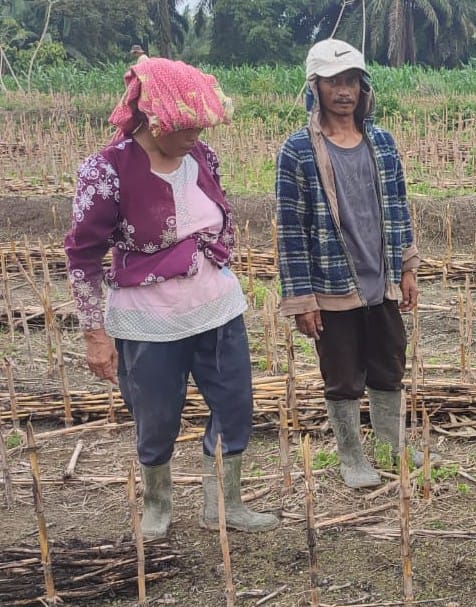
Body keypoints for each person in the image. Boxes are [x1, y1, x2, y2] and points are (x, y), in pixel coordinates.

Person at [64, 58, 279, 540]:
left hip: (218, 309)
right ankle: (158, 505)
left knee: (235, 405)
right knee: (156, 417)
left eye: (201, 124)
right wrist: (94, 332)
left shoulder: (202, 156)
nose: (195, 134)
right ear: (154, 117)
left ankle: (224, 505)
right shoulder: (107, 171)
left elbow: (221, 216)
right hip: (148, 320)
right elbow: (83, 255)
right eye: (185, 125)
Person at [276, 39, 426, 489]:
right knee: (341, 373)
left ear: (364, 88)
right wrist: (301, 298)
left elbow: (399, 206)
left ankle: (389, 442)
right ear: (315, 88)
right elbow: (290, 230)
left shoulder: (381, 141)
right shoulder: (298, 151)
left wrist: (408, 266)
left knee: (388, 362)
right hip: (331, 282)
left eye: (352, 82)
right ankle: (350, 454)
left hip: (380, 277)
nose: (344, 91)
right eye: (333, 82)